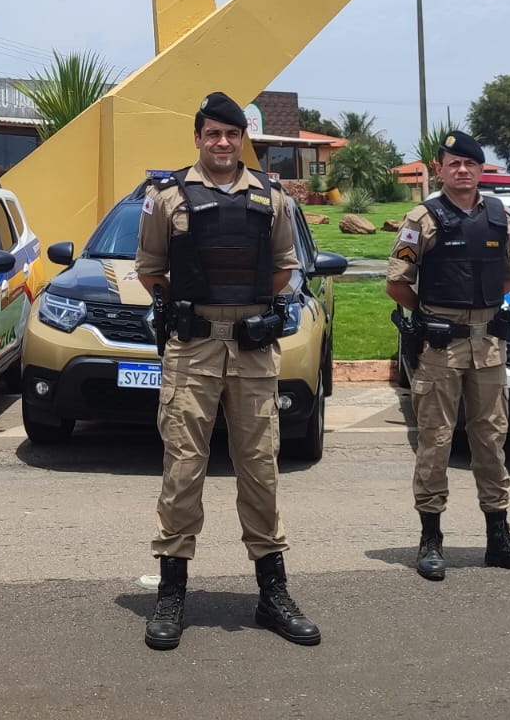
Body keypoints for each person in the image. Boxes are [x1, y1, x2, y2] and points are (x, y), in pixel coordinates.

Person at [135, 91, 320, 651]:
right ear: (197, 138)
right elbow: (150, 269)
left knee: (260, 469)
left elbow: (284, 269)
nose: (222, 142)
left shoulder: (272, 198)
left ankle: (273, 592)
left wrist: (243, 309)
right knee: (183, 470)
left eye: (232, 134)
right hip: (192, 351)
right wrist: (193, 304)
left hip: (252, 351)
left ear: (243, 140)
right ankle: (172, 591)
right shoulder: (165, 197)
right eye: (213, 133)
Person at [384, 131, 510, 582]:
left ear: (480, 169)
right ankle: (431, 539)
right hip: (441, 348)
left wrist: (481, 306)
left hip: (489, 345)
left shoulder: (500, 215)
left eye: (470, 163)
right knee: (435, 441)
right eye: (453, 163)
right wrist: (431, 314)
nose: (462, 170)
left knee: (491, 439)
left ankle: (499, 539)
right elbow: (396, 283)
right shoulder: (422, 218)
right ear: (439, 169)